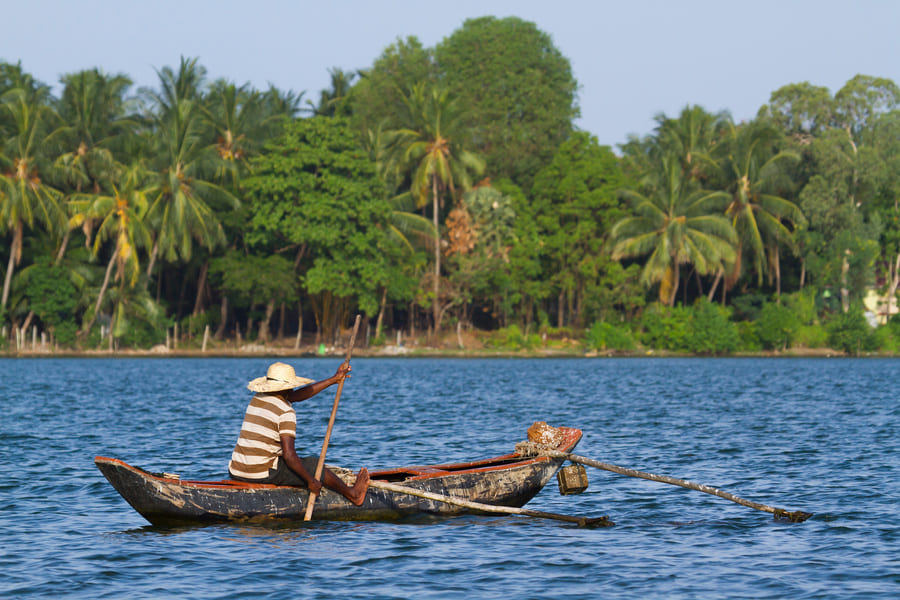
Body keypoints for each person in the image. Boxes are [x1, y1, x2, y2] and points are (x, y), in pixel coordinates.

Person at [228, 361, 369, 505]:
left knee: (300, 464)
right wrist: (311, 481)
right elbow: (289, 456)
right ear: (288, 388)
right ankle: (353, 495)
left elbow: (295, 396)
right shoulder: (285, 411)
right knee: (314, 465)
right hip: (260, 473)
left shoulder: (257, 398)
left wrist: (334, 379)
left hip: (236, 470)